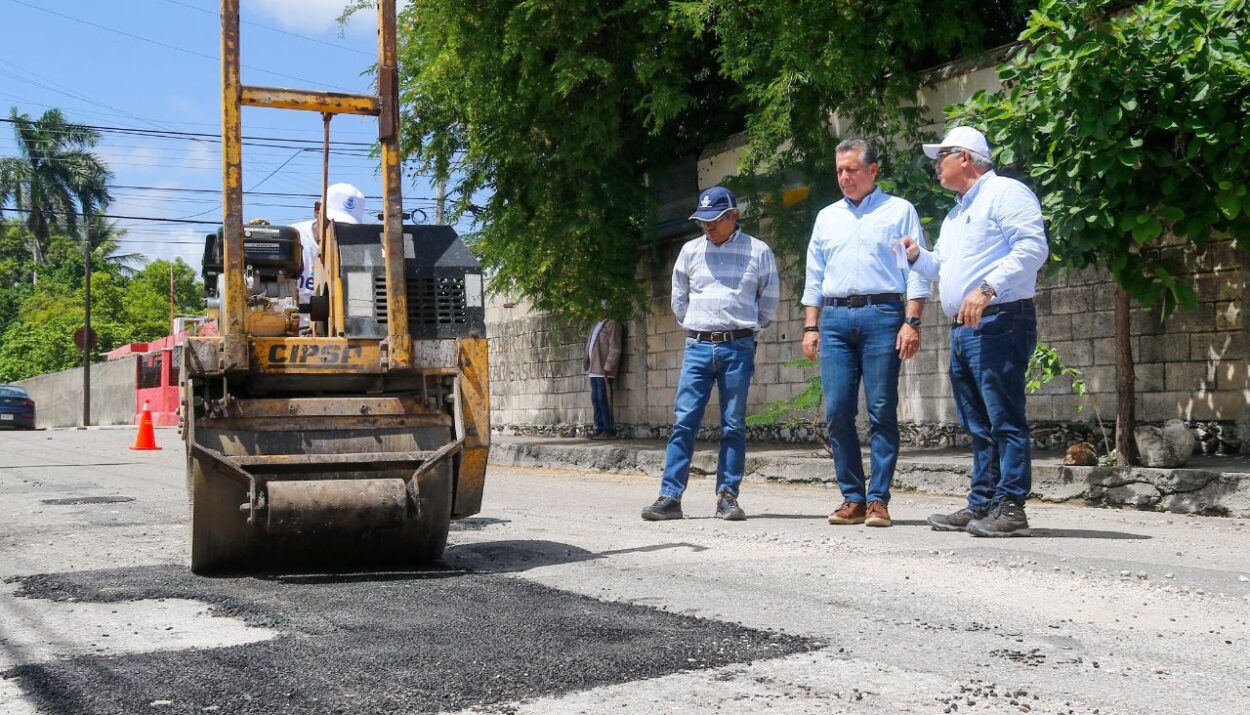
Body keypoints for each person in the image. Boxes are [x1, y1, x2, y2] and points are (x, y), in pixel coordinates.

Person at [903, 126, 1049, 537]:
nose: (936, 165)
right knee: (978, 423)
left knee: (1004, 418)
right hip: (965, 327)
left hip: (1000, 319)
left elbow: (1032, 248)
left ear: (965, 157)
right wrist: (918, 257)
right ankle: (983, 502)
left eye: (942, 156)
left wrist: (987, 288)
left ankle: (1012, 509)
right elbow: (942, 270)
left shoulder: (1006, 193)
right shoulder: (955, 214)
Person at [801, 138, 931, 529]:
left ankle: (878, 499)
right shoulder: (827, 217)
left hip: (883, 314)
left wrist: (912, 321)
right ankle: (852, 498)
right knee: (838, 409)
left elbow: (918, 271)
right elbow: (815, 276)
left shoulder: (898, 211)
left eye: (852, 170)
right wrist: (811, 325)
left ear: (873, 171)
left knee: (881, 408)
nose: (844, 177)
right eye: (839, 171)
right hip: (837, 320)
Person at [641, 186, 779, 522]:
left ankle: (727, 497)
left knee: (733, 424)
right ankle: (670, 497)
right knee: (684, 422)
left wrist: (745, 330)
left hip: (738, 346)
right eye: (703, 220)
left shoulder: (758, 252)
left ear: (734, 216)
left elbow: (769, 301)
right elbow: (679, 299)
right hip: (698, 346)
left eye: (715, 220)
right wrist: (696, 325)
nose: (708, 226)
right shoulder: (689, 252)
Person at [291, 182, 367, 308]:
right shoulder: (291, 241)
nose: (336, 230)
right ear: (317, 209)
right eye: (332, 223)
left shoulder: (357, 252)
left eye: (345, 226)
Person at [585, 308, 622, 439]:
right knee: (595, 399)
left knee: (603, 398)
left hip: (603, 369)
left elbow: (615, 347)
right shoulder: (596, 325)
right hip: (594, 369)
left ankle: (608, 429)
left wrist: (609, 366)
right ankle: (599, 428)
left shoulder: (612, 324)